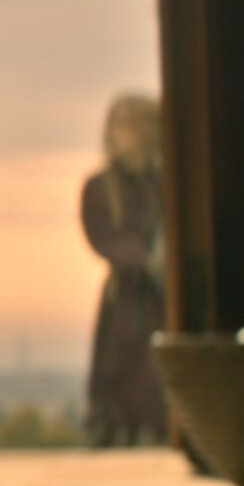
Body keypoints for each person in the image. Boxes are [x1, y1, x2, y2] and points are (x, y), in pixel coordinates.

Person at [83, 91, 170, 447]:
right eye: (114, 126)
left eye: (125, 126)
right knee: (117, 377)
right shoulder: (100, 188)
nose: (115, 135)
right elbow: (104, 235)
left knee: (156, 379)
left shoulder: (165, 184)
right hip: (126, 301)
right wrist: (144, 261)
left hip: (162, 301)